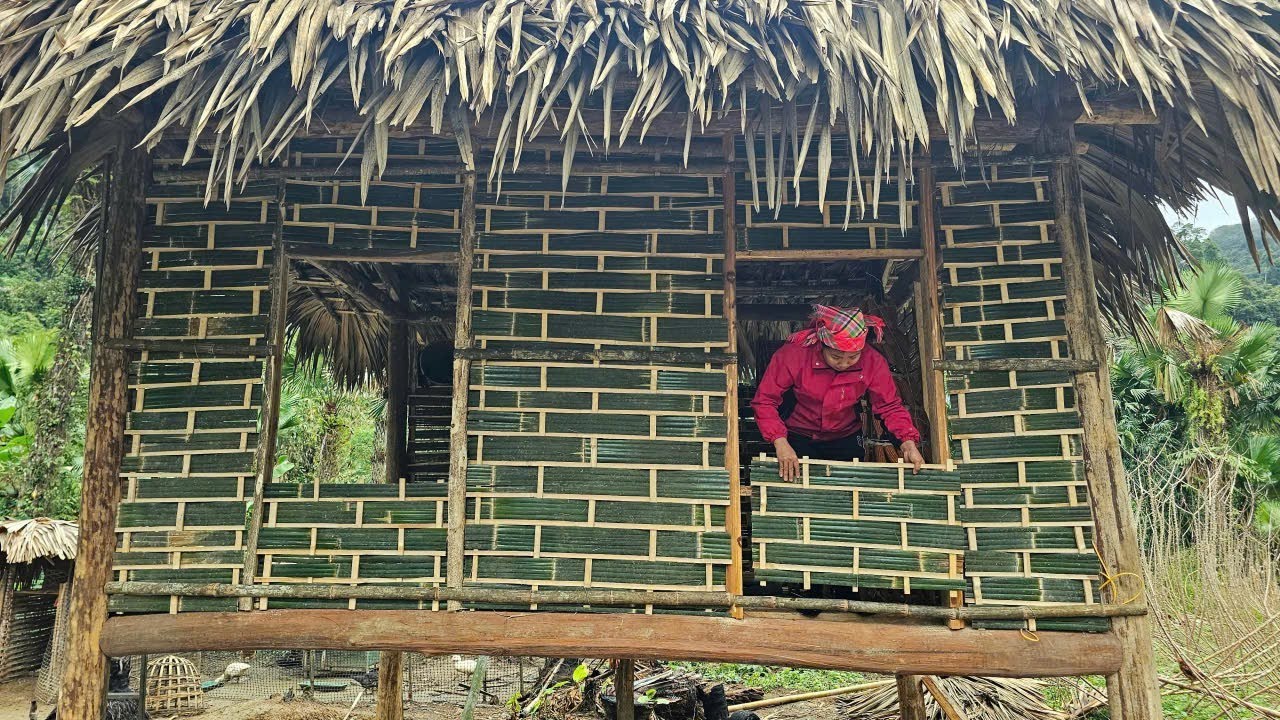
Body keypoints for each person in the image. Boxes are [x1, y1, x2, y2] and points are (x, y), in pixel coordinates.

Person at [751, 305, 925, 481]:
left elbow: (889, 406)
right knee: (798, 489)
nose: (844, 364)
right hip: (798, 434)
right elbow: (765, 401)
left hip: (845, 435)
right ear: (822, 344)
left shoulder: (873, 361)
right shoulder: (793, 355)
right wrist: (780, 441)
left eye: (853, 357)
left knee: (847, 488)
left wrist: (907, 443)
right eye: (836, 357)